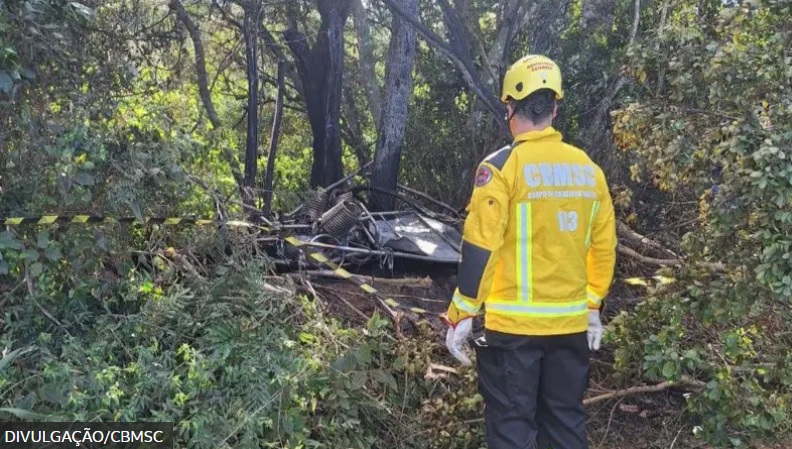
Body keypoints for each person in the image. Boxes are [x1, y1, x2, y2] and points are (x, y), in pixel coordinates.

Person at [441, 54, 618, 449]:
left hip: (513, 333)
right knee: (565, 425)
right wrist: (592, 305)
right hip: (570, 328)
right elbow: (604, 246)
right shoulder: (589, 170)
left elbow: (481, 246)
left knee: (512, 431)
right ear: (554, 108)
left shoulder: (502, 168)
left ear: (509, 107)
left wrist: (463, 312)